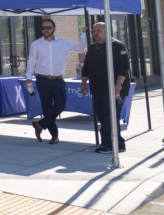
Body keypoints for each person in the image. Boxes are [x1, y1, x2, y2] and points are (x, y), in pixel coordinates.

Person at [25, 18, 87, 144]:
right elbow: (31, 61)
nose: (45, 30)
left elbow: (80, 48)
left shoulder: (63, 43)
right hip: (42, 79)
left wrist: (84, 34)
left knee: (60, 106)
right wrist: (28, 78)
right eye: (43, 28)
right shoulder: (36, 44)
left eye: (48, 27)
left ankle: (40, 124)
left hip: (58, 80)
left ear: (54, 29)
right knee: (47, 109)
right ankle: (55, 136)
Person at [81, 22, 129, 153]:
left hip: (115, 90)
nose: (95, 33)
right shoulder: (92, 48)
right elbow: (86, 68)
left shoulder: (118, 46)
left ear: (107, 31)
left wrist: (118, 86)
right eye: (94, 31)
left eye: (99, 31)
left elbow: (124, 68)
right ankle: (119, 144)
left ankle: (108, 145)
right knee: (103, 117)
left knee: (110, 117)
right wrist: (83, 83)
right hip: (97, 90)